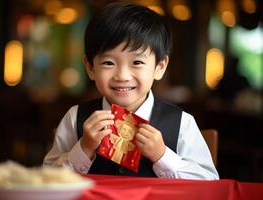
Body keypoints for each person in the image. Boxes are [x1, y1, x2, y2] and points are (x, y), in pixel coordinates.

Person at [44, 2, 219, 180]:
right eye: (108, 63)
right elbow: (46, 179)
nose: (122, 76)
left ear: (159, 67)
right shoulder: (76, 118)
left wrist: (163, 156)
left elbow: (210, 182)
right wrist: (83, 148)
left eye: (137, 62)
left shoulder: (181, 122)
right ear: (90, 68)